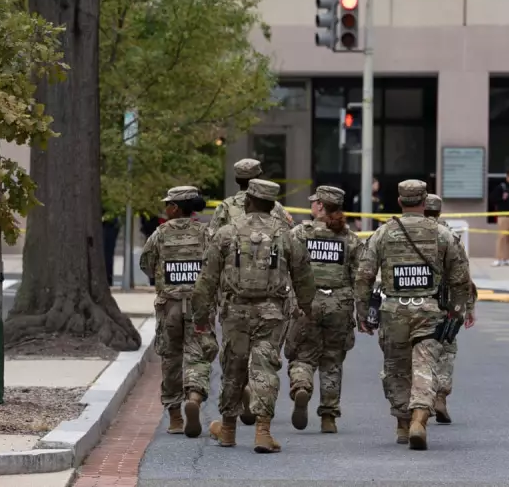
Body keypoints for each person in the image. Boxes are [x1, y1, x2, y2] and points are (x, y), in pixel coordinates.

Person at [191, 179, 315, 454]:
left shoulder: (225, 233)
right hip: (272, 312)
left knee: (232, 368)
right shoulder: (286, 235)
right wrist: (307, 308)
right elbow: (304, 277)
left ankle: (227, 429)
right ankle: (262, 432)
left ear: (246, 202)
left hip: (235, 311)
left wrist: (201, 317)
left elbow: (206, 281)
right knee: (265, 368)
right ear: (273, 205)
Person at [354, 180, 475, 451]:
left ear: (399, 201)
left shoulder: (383, 233)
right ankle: (420, 416)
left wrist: (362, 311)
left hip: (393, 310)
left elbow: (364, 275)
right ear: (424, 201)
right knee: (425, 364)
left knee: (396, 368)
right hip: (429, 310)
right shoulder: (442, 234)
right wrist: (457, 311)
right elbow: (460, 278)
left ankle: (402, 422)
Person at [139, 186, 217, 437]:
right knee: (198, 355)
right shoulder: (206, 233)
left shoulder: (160, 233)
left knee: (171, 358)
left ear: (176, 207)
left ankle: (174, 417)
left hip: (169, 306)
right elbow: (218, 266)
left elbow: (146, 265)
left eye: (168, 204)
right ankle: (193, 395)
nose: (165, 208)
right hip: (199, 306)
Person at [285, 186, 361, 434]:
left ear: (320, 206)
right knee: (332, 360)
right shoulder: (349, 238)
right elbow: (358, 276)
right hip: (339, 304)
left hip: (306, 303)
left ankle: (302, 387)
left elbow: (287, 269)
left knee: (302, 355)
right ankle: (329, 417)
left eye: (314, 202)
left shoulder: (299, 234)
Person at [423, 193, 477, 425]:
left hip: (416, 302)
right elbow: (463, 275)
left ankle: (419, 399)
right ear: (440, 211)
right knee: (446, 349)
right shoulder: (451, 236)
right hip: (446, 303)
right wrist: (468, 306)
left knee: (420, 351)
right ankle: (441, 396)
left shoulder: (411, 234)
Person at [207, 158, 294, 239]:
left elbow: (212, 237)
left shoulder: (225, 206)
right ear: (259, 177)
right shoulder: (272, 204)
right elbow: (290, 234)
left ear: (236, 179)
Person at [491, 171, 509, 266]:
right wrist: (502, 199)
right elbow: (492, 199)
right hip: (504, 216)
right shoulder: (501, 187)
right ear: (507, 177)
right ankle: (499, 258)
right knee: (502, 237)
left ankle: (506, 258)